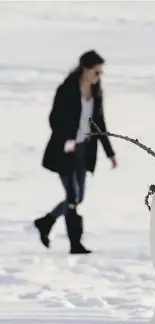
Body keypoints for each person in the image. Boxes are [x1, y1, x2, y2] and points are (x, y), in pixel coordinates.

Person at [34, 50, 117, 254]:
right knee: (72, 197)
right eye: (97, 72)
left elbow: (99, 123)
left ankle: (46, 221)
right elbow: (53, 118)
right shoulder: (67, 89)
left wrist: (110, 153)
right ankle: (75, 244)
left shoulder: (96, 92)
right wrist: (66, 137)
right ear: (85, 69)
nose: (99, 77)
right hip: (64, 150)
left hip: (84, 149)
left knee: (78, 197)